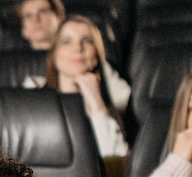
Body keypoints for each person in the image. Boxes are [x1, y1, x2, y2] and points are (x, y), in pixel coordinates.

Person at [45, 14, 129, 159]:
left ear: (96, 56)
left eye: (87, 41)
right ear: (54, 54)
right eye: (66, 42)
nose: (78, 48)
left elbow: (116, 165)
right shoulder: (35, 100)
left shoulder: (110, 112)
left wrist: (96, 104)